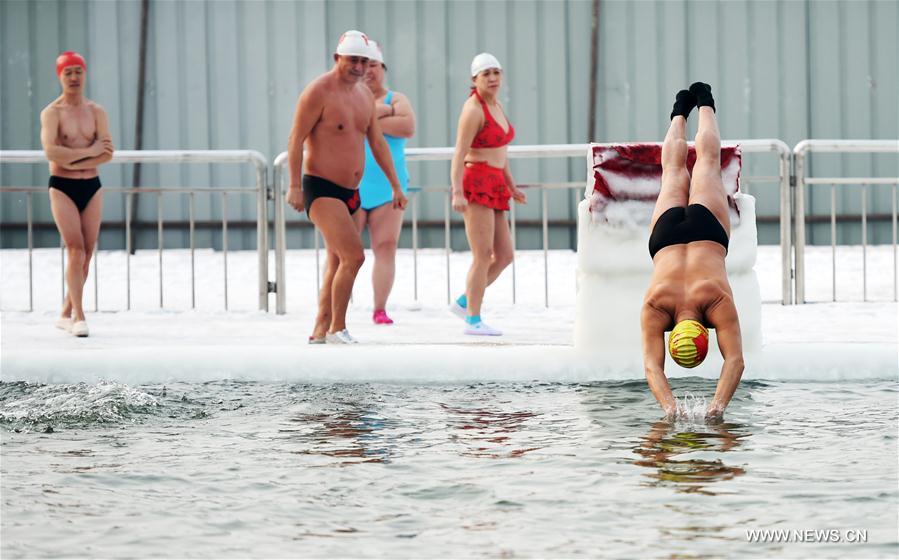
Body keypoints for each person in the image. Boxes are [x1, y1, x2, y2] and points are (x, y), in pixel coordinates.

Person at [285, 30, 407, 344]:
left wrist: (396, 185)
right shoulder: (318, 92)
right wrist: (294, 186)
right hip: (321, 188)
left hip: (351, 192)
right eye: (353, 59)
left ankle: (319, 330)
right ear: (337, 58)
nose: (358, 66)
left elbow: (378, 143)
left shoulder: (364, 95)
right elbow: (296, 139)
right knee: (354, 256)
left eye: (364, 61)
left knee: (339, 261)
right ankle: (338, 329)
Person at [641, 82, 744, 421]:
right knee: (672, 170)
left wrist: (715, 407)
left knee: (708, 163)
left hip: (707, 232)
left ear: (705, 332)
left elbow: (734, 362)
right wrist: (672, 408)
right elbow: (652, 368)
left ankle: (705, 103)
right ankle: (680, 112)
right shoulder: (656, 306)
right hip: (666, 237)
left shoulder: (715, 301)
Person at [449, 53, 526, 336]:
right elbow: (459, 152)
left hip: (495, 182)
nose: (493, 78)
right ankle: (472, 318)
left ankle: (463, 301)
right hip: (476, 181)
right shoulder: (473, 109)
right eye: (486, 74)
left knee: (504, 255)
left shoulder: (496, 105)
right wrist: (457, 191)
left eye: (496, 72)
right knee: (482, 255)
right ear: (474, 80)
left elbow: (500, 152)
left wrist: (511, 184)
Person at [40, 51, 114, 338]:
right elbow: (52, 153)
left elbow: (107, 153)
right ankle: (78, 316)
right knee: (75, 249)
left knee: (87, 253)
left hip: (92, 186)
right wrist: (90, 153)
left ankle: (63, 312)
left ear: (85, 74)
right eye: (67, 71)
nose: (73, 77)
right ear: (59, 76)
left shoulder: (97, 111)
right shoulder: (52, 113)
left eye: (78, 71)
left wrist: (76, 158)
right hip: (62, 186)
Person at [354, 39, 416, 325]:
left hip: (388, 187)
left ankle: (380, 308)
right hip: (352, 184)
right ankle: (332, 305)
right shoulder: (349, 98)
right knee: (343, 252)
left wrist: (374, 117)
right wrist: (382, 115)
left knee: (386, 247)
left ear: (383, 68)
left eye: (374, 65)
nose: (369, 71)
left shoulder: (397, 98)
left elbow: (407, 127)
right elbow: (349, 124)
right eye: (364, 64)